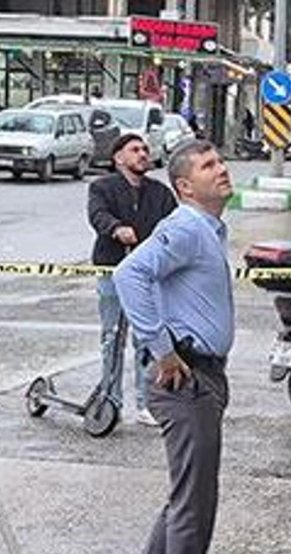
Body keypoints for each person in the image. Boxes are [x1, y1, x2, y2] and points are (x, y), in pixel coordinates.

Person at [113, 141, 240, 554]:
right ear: (185, 186)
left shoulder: (206, 230)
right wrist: (162, 350)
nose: (222, 169)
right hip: (186, 378)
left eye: (220, 161)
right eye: (209, 166)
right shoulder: (187, 227)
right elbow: (129, 274)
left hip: (200, 375)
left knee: (185, 495)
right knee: (195, 501)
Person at [88, 130, 178, 426]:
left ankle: (147, 403)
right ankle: (110, 401)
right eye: (135, 149)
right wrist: (116, 228)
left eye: (145, 149)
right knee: (112, 337)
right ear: (119, 158)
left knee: (148, 338)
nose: (143, 154)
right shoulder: (102, 187)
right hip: (112, 270)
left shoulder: (160, 193)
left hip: (148, 277)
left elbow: (174, 225)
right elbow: (97, 215)